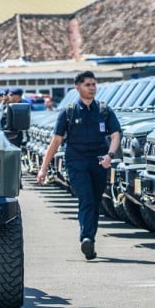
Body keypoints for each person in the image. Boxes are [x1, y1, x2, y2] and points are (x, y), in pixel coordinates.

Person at [37, 71, 121, 260]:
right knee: (87, 199)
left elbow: (116, 135)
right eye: (87, 85)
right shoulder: (68, 112)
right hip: (76, 162)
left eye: (93, 84)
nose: (92, 88)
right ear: (78, 88)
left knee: (95, 201)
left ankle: (89, 240)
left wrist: (110, 155)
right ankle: (87, 238)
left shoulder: (104, 110)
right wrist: (43, 168)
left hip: (99, 162)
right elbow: (56, 141)